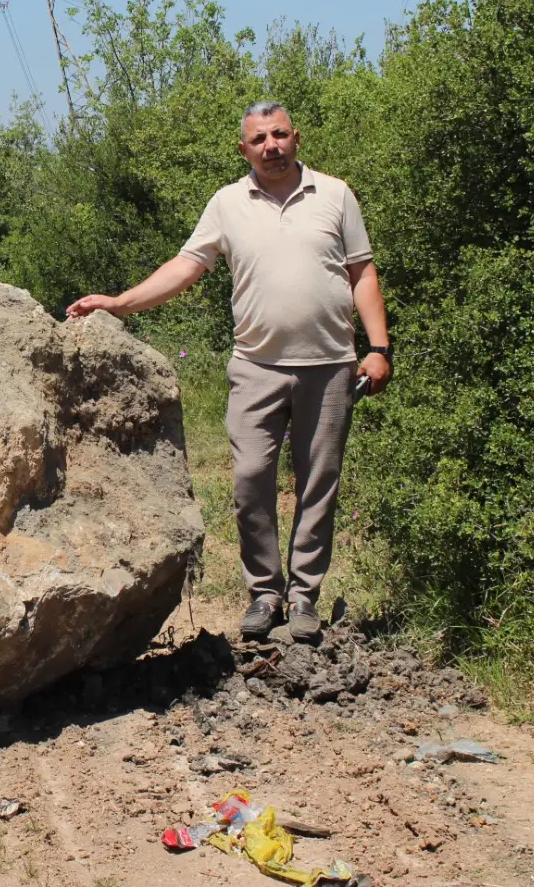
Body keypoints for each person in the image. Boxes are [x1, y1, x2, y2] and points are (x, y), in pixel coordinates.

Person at [67, 102, 391, 645]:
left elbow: (362, 273)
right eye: (259, 138)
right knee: (248, 482)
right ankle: (265, 593)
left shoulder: (335, 195)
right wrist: (120, 303)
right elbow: (186, 266)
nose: (271, 145)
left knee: (318, 486)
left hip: (330, 366)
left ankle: (304, 597)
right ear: (245, 150)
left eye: (280, 134)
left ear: (296, 139)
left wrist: (379, 347)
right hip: (255, 368)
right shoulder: (227, 203)